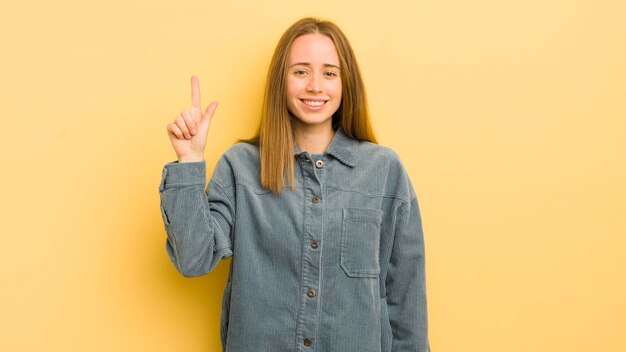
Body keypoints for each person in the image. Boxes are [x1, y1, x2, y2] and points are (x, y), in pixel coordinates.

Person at [159, 17, 430, 352]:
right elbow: (193, 260)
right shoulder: (240, 167)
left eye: (329, 73)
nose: (315, 86)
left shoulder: (385, 171)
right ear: (281, 81)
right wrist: (189, 161)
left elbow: (406, 301)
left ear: (346, 84)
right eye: (301, 71)